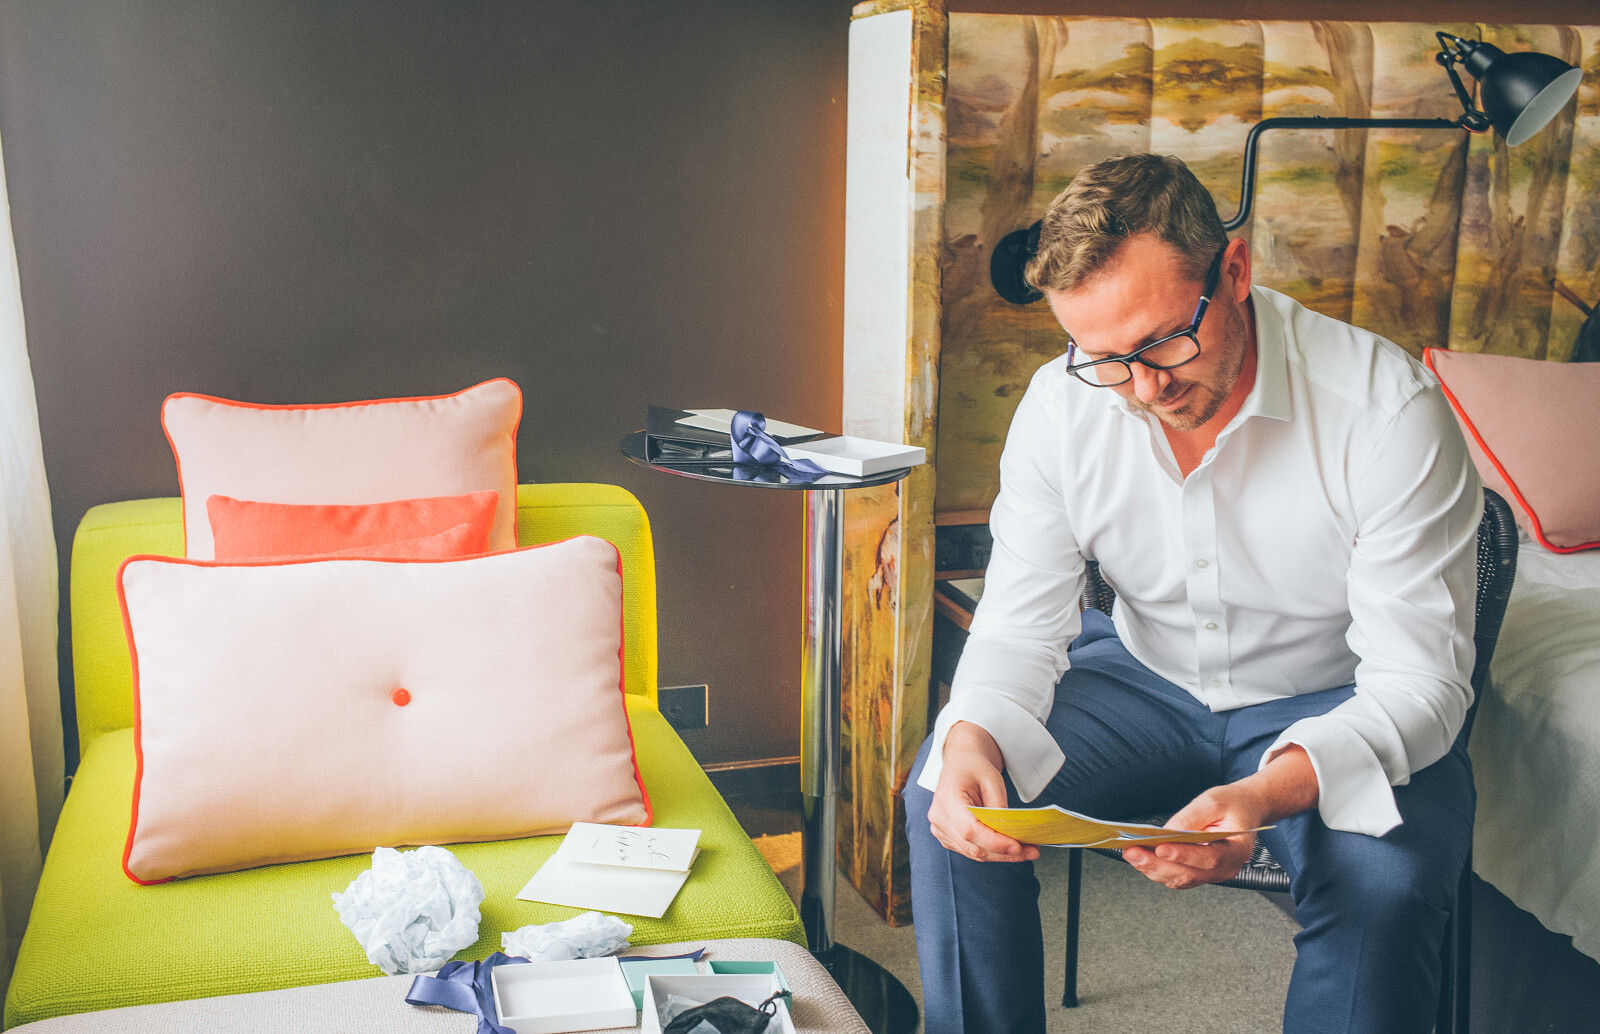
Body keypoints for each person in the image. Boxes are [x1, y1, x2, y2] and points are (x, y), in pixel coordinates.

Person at [903, 153, 1481, 1034]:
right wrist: (972, 733)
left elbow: (1420, 685)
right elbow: (1018, 626)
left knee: (1385, 889)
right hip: (1143, 678)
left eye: (1166, 341)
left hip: (1339, 696)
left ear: (1235, 271)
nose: (1145, 388)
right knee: (946, 797)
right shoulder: (1061, 407)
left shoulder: (1388, 411)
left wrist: (1262, 795)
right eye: (1105, 359)